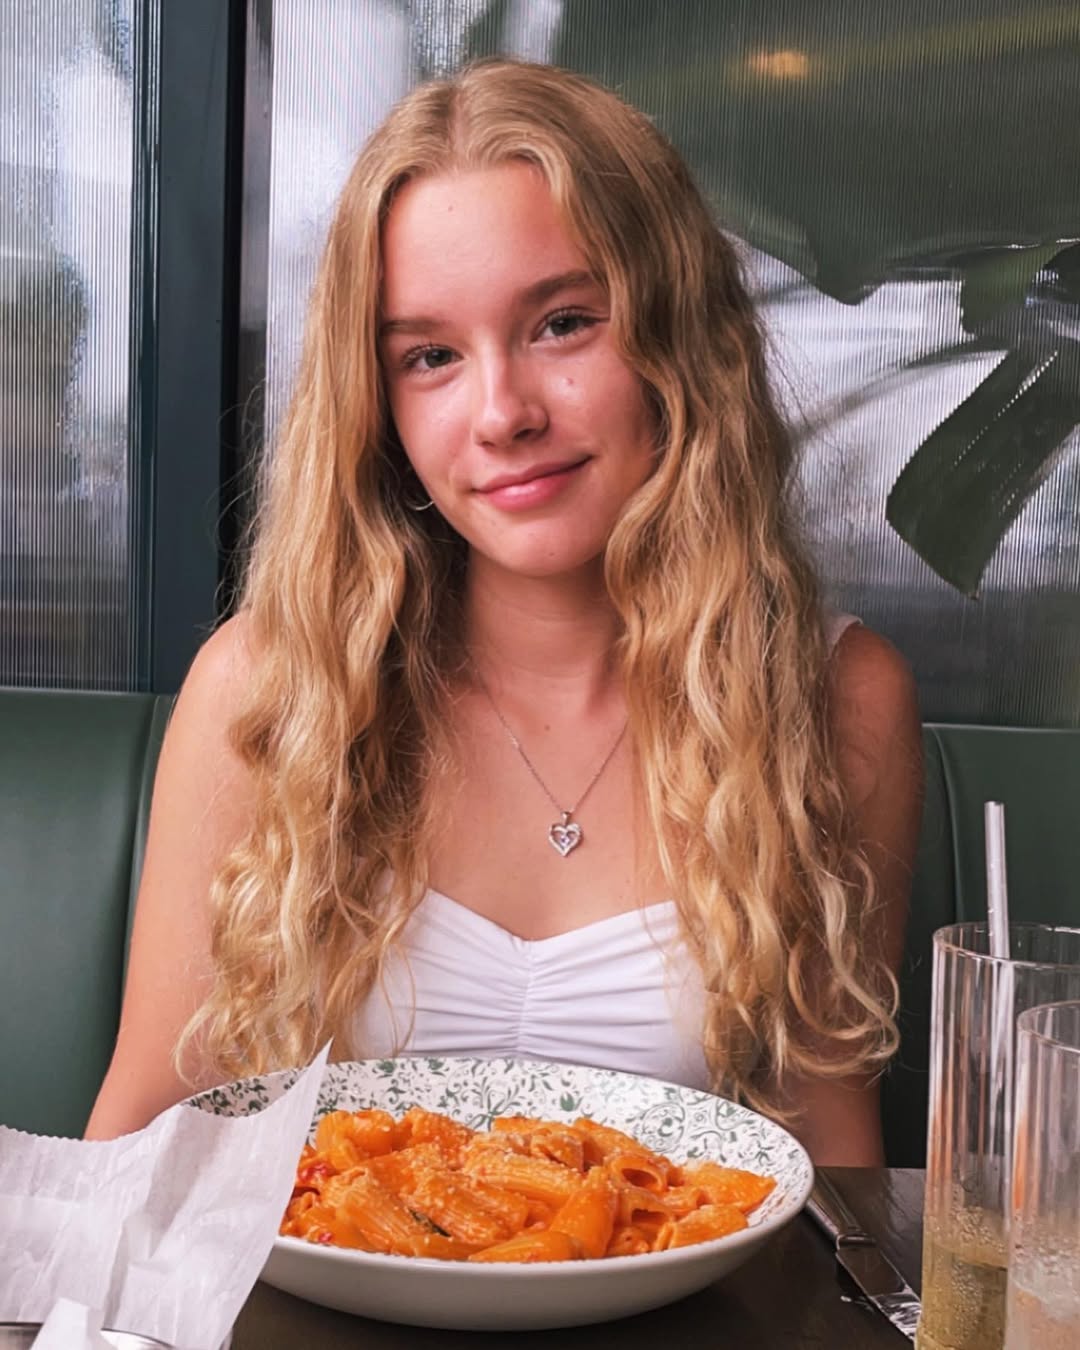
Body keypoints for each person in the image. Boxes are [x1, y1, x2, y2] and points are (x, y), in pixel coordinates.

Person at [86, 58, 923, 1164]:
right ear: (376, 402)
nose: (502, 413)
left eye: (563, 323)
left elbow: (829, 1168)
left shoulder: (835, 699)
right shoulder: (268, 689)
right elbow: (142, 1132)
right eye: (430, 356)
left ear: (680, 337)